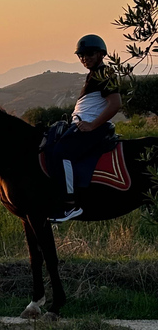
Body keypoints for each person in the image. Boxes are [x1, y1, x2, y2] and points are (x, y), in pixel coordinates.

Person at [48, 34, 122, 222]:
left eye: (89, 54)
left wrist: (92, 125)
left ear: (101, 54)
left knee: (61, 153)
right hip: (80, 123)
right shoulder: (94, 74)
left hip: (91, 126)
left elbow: (115, 103)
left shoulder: (104, 73)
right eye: (81, 55)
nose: (84, 58)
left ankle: (70, 205)